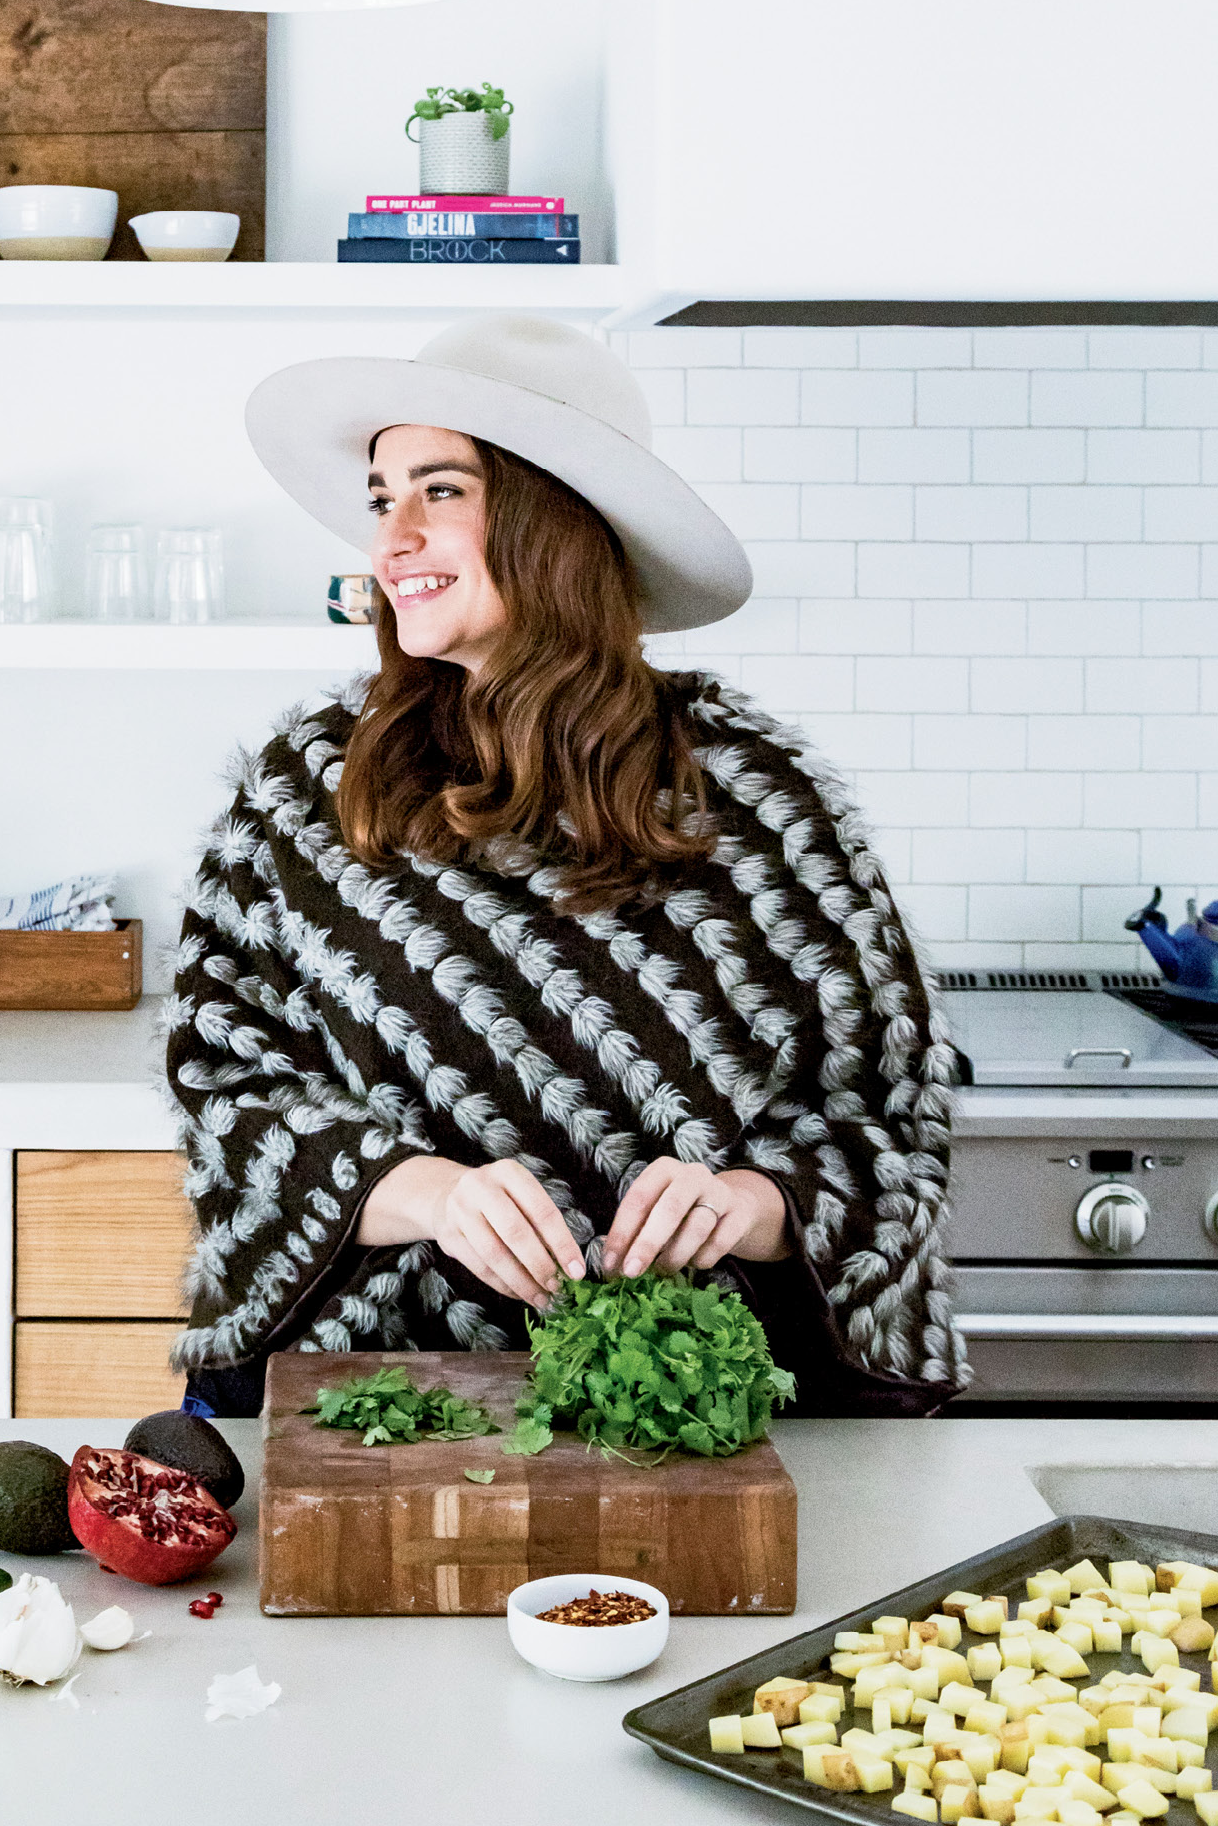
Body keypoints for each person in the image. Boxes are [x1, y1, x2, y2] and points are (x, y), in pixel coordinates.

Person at [165, 317, 964, 1417]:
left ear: (554, 520)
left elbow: (887, 1120)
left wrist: (749, 1203)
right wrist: (426, 1191)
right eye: (380, 496)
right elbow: (225, 1082)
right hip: (382, 1411)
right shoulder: (309, 788)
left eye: (439, 490)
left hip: (702, 1416)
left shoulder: (758, 799)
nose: (390, 536)